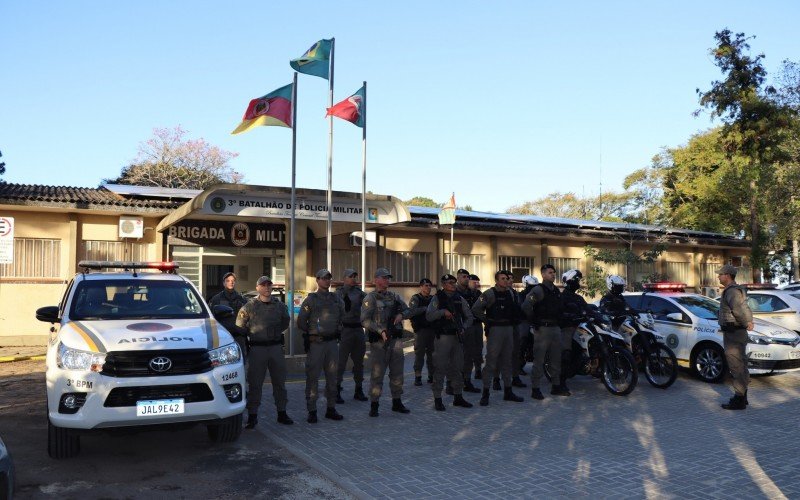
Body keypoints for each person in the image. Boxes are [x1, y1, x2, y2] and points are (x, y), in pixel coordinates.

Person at [236, 275, 293, 428]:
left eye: (269, 284)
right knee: (255, 384)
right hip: (257, 349)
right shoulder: (249, 306)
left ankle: (282, 413)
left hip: (275, 348)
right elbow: (240, 327)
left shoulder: (280, 306)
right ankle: (253, 416)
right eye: (263, 285)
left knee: (279, 382)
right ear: (258, 288)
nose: (267, 287)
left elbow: (285, 323)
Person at [361, 267, 413, 417]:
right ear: (376, 280)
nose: (386, 281)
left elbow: (409, 310)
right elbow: (364, 320)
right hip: (379, 342)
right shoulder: (370, 298)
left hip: (395, 341)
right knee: (377, 374)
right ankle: (374, 404)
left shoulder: (395, 297)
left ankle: (397, 402)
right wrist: (380, 330)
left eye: (388, 278)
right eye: (383, 278)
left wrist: (401, 315)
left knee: (397, 373)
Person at [297, 269, 346, 423]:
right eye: (323, 278)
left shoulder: (336, 299)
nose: (326, 281)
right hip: (317, 344)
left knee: (332, 377)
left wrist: (337, 330)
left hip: (332, 343)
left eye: (328, 278)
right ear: (317, 280)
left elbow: (342, 318)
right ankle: (312, 410)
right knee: (313, 377)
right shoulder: (310, 300)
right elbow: (301, 322)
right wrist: (312, 333)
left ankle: (331, 408)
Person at [471, 270, 524, 406]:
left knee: (507, 361)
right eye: (503, 278)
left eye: (507, 278)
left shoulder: (511, 293)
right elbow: (476, 309)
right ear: (496, 280)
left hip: (508, 329)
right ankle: (486, 393)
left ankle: (508, 391)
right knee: (491, 361)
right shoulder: (489, 293)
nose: (506, 281)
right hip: (495, 330)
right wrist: (487, 320)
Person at [426, 274, 475, 410]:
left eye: (454, 282)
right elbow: (429, 316)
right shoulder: (437, 298)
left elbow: (469, 316)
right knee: (440, 367)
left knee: (458, 367)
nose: (452, 284)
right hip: (443, 337)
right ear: (443, 284)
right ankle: (437, 398)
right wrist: (442, 312)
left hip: (457, 337)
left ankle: (458, 396)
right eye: (449, 282)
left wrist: (464, 327)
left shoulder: (459, 298)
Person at [523, 264, 567, 400]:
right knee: (539, 360)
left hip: (555, 328)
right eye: (550, 272)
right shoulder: (538, 290)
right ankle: (535, 389)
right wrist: (533, 320)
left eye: (554, 272)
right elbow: (526, 306)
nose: (553, 274)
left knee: (555, 359)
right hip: (542, 329)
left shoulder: (555, 290)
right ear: (543, 275)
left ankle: (556, 386)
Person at [717, 264, 753, 410]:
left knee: (736, 365)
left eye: (720, 274)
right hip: (736, 332)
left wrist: (746, 323)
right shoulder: (733, 290)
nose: (718, 276)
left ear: (728, 275)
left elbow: (738, 310)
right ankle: (743, 397)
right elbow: (744, 308)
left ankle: (738, 399)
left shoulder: (731, 291)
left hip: (734, 333)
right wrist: (748, 322)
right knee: (741, 364)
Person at [334, 269, 369, 402]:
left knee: (359, 363)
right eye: (351, 276)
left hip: (358, 330)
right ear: (344, 278)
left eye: (355, 276)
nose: (354, 278)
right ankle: (336, 389)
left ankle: (358, 389)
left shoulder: (359, 293)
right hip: (345, 330)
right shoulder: (338, 293)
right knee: (340, 362)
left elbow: (369, 303)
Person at [558, 269, 589, 395]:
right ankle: (561, 383)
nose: (578, 283)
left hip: (580, 327)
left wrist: (598, 314)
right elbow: (559, 312)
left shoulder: (578, 298)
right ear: (569, 282)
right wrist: (568, 315)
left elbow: (587, 309)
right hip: (567, 327)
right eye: (576, 280)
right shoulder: (562, 297)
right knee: (566, 353)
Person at [208, 272, 249, 358]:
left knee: (241, 362)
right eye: (228, 280)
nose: (231, 282)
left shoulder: (242, 299)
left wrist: (244, 331)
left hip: (239, 337)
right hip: (223, 337)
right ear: (224, 283)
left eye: (233, 280)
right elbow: (211, 319)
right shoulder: (216, 299)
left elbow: (248, 318)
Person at [409, 278, 436, 386]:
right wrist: (425, 308)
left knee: (432, 354)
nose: (428, 287)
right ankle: (418, 376)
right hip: (420, 331)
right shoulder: (416, 298)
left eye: (429, 285)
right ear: (421, 287)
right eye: (426, 285)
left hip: (432, 330)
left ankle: (431, 375)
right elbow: (412, 312)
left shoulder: (433, 298)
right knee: (419, 354)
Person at [517, 274, 539, 377]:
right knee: (523, 339)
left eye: (535, 286)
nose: (533, 288)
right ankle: (518, 366)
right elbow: (523, 308)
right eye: (531, 286)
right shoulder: (521, 295)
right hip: (525, 321)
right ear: (525, 285)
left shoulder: (538, 295)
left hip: (536, 320)